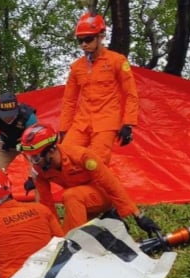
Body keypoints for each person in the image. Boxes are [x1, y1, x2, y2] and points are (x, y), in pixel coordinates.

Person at [18, 124, 160, 235]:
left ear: (51, 150)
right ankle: (106, 222)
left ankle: (79, 244)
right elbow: (46, 203)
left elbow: (110, 184)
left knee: (71, 197)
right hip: (79, 204)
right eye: (30, 158)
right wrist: (54, 236)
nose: (33, 162)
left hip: (101, 197)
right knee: (64, 235)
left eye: (35, 157)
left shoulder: (82, 156)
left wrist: (138, 216)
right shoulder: (38, 169)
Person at [59, 12, 139, 164]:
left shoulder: (117, 61)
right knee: (64, 158)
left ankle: (98, 188)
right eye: (80, 40)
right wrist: (64, 129)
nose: (83, 44)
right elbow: (69, 100)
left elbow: (130, 93)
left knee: (95, 165)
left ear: (101, 36)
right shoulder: (77, 67)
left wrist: (128, 123)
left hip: (106, 123)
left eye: (88, 39)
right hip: (81, 123)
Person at [0, 92, 38, 169]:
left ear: (17, 109)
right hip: (5, 143)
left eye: (11, 114)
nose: (8, 118)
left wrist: (31, 177)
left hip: (27, 145)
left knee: (37, 170)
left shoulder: (28, 115)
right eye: (4, 115)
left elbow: (36, 145)